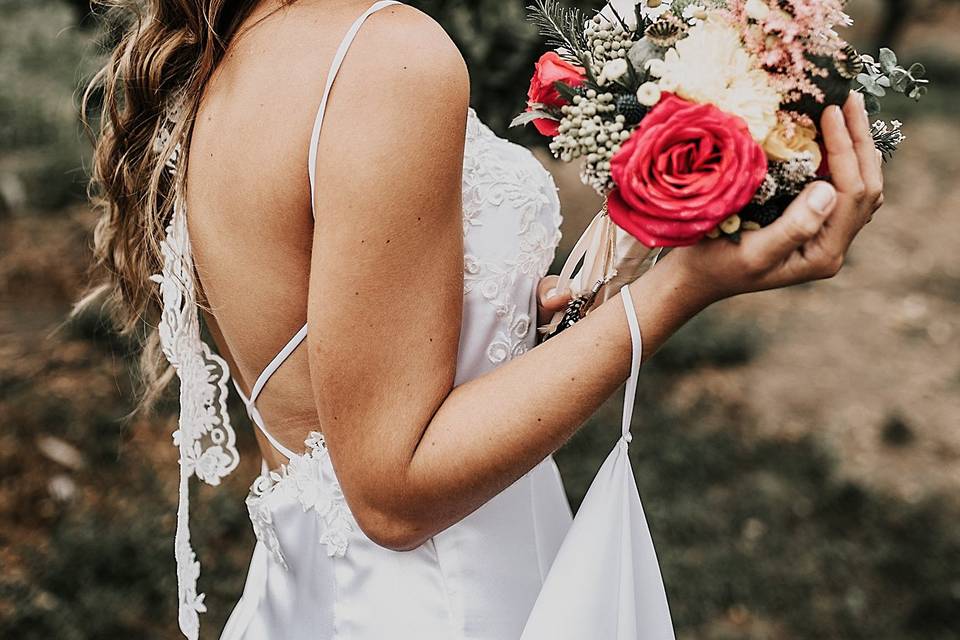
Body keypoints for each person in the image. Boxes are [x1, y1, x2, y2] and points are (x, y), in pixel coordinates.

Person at [81, 0, 884, 638]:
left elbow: (344, 367)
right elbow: (392, 496)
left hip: (322, 599)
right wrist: (686, 288)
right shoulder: (386, 56)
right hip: (445, 601)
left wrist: (527, 313)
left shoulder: (240, 42)